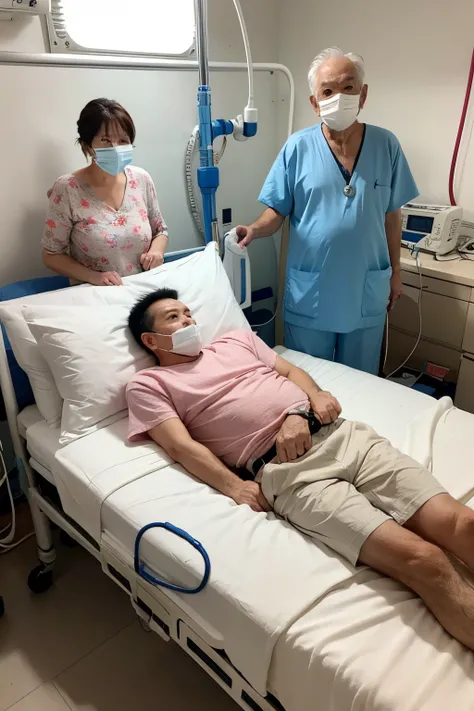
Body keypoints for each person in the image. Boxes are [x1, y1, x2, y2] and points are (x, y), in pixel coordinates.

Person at [126, 288, 474, 651]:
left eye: (188, 312)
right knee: (424, 559)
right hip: (289, 474)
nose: (188, 320)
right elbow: (180, 446)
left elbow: (291, 370)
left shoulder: (237, 342)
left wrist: (316, 397)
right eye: (174, 317)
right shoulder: (149, 385)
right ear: (151, 340)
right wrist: (233, 486)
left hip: (340, 434)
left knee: (461, 523)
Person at [236, 48, 419, 375]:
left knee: (363, 383)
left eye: (348, 87)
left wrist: (397, 271)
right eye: (328, 90)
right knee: (310, 382)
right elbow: (276, 212)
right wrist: (253, 229)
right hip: (312, 293)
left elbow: (393, 216)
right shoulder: (297, 147)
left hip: (366, 290)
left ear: (363, 94)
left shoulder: (386, 145)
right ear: (314, 101)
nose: (338, 96)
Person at [42, 98, 168, 286]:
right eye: (105, 140)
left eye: (123, 140)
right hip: (94, 294)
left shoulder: (142, 180)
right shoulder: (67, 189)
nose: (116, 148)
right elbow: (51, 255)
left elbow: (160, 231)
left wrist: (156, 252)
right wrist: (93, 277)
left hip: (143, 287)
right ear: (87, 146)